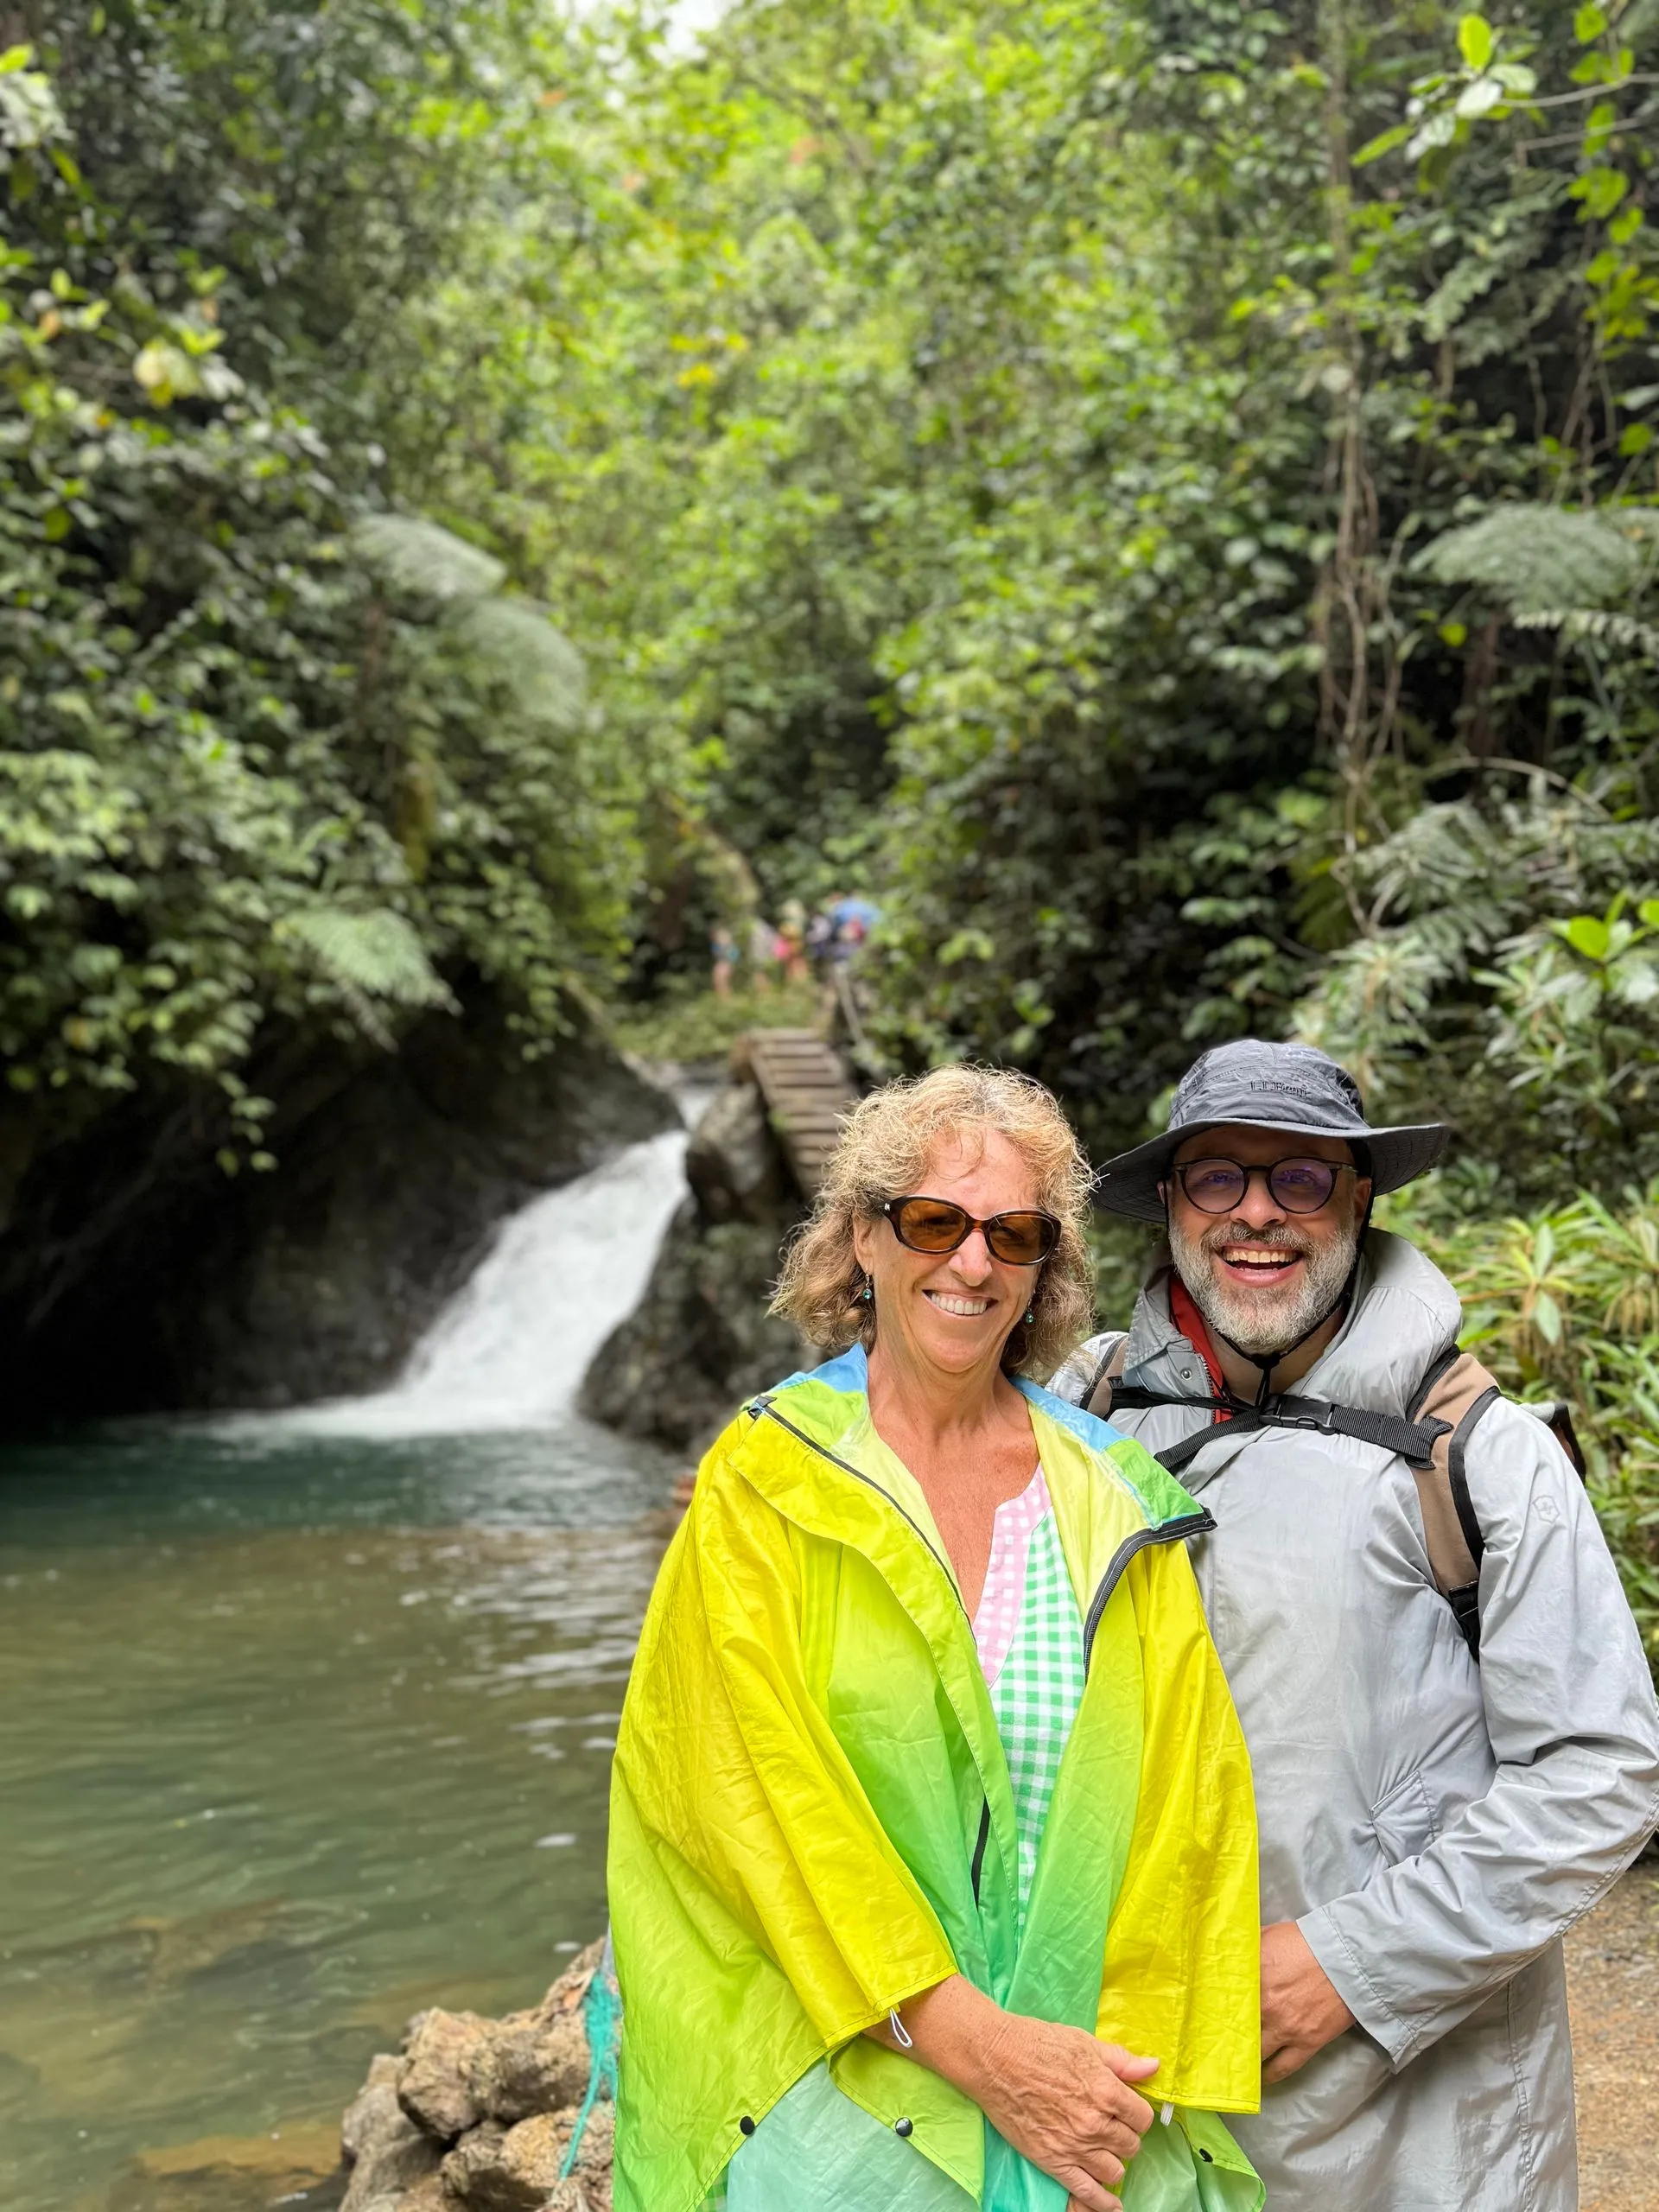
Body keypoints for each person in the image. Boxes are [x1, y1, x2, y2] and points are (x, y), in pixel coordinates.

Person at [609, 1065, 1264, 2212]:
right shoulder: (764, 1481)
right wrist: (974, 2045)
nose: (972, 1264)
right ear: (863, 1238)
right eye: (932, 1222)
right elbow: (743, 1795)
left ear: (1044, 1269)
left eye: (1013, 1236)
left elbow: (1188, 1813)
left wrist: (1116, 2081)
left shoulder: (1119, 1498)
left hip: (1084, 2115)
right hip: (831, 2119)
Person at [1052, 1037, 1659, 2211]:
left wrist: (1350, 1963)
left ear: (1360, 1197)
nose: (1256, 1215)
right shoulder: (1085, 1415)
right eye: (1218, 1176)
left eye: (1301, 1177)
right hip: (1138, 2098)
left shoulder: (1478, 1453)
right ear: (1171, 1202)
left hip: (1421, 2128)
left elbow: (1603, 1770)